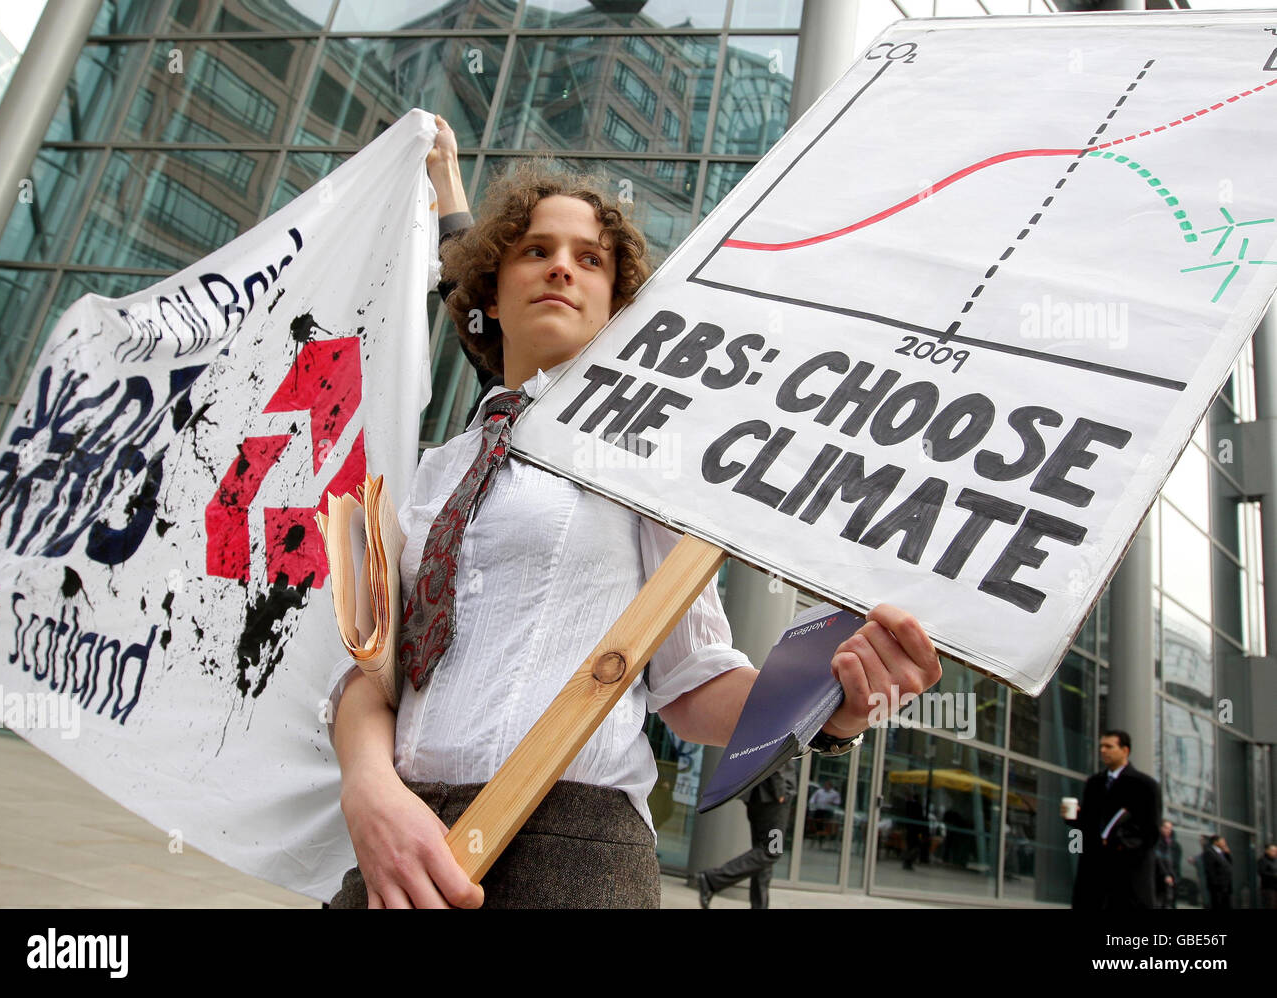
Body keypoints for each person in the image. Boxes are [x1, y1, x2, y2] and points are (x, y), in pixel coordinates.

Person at [325, 115, 944, 909]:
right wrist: (369, 792)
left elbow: (691, 684)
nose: (561, 269)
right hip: (395, 849)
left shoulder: (647, 454)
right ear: (487, 290)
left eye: (592, 261)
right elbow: (371, 677)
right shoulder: (430, 473)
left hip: (574, 854)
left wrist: (830, 703)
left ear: (619, 311)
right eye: (535, 250)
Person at [1063, 729, 1161, 909]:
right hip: (1093, 872)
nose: (1103, 750)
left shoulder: (1145, 786)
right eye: (1101, 746)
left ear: (1125, 751)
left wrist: (1122, 843)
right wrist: (1073, 818)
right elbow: (1088, 825)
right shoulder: (1094, 783)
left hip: (1127, 874)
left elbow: (1151, 832)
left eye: (1109, 746)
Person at [696, 757, 800, 908]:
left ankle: (759, 906)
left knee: (762, 856)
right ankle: (712, 879)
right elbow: (777, 749)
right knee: (771, 851)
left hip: (761, 795)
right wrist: (780, 790)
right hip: (774, 799)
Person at [1154, 818, 1182, 908]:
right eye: (1166, 827)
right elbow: (1159, 859)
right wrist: (1165, 874)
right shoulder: (1158, 841)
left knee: (1168, 901)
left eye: (1170, 828)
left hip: (1169, 877)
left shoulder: (1171, 843)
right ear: (1161, 828)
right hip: (1159, 877)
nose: (1168, 830)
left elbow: (1172, 862)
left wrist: (1173, 876)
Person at [1202, 834, 1233, 910]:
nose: (1224, 843)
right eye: (1222, 841)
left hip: (1226, 886)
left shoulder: (1222, 853)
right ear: (1216, 842)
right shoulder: (1210, 852)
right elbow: (1210, 870)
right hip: (1217, 887)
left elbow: (1229, 865)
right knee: (1217, 905)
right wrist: (1216, 883)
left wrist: (1228, 854)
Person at [1258, 842, 1277, 910]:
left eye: (1276, 851)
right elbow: (1261, 872)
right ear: (1267, 851)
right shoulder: (1263, 860)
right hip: (1268, 889)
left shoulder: (1275, 860)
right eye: (1273, 851)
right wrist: (1274, 875)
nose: (1275, 853)